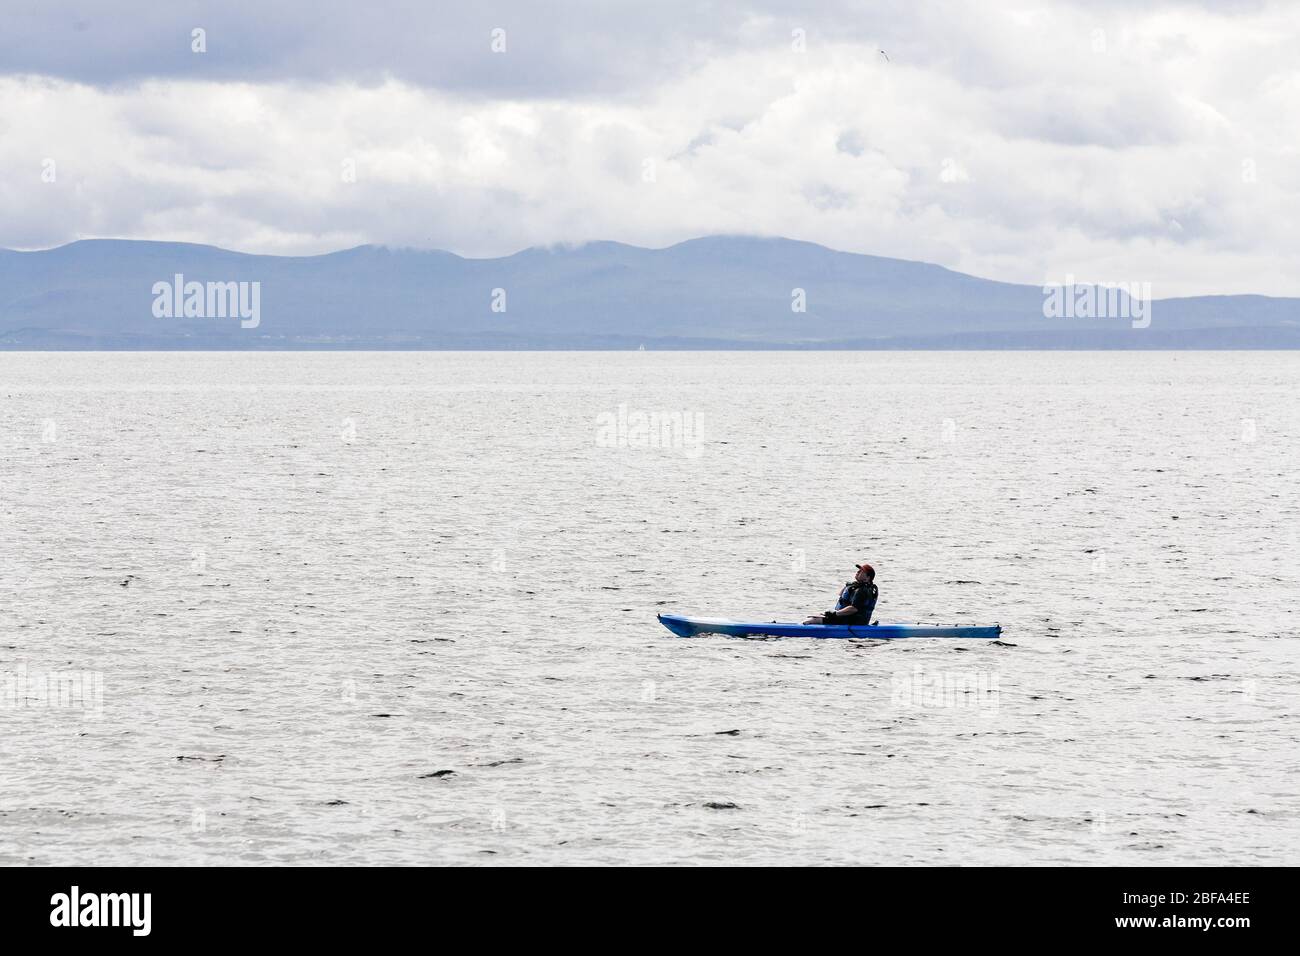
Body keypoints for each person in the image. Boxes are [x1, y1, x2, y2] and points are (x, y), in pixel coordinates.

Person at [803, 562, 877, 625]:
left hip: (852, 621)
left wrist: (834, 614)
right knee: (818, 616)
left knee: (814, 620)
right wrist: (849, 587)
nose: (858, 572)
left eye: (861, 571)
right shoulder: (859, 587)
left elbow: (853, 609)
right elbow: (841, 596)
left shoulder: (862, 591)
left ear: (868, 578)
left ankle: (800, 630)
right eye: (859, 570)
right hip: (854, 620)